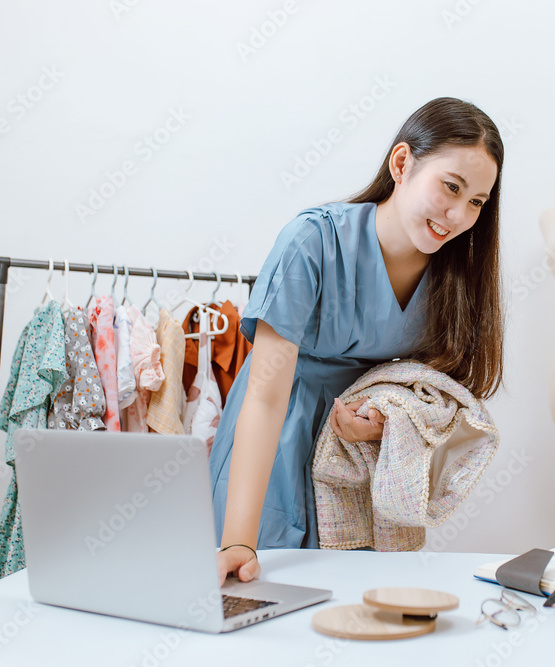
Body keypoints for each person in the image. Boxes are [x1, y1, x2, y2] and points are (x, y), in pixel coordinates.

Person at [210, 97, 505, 583]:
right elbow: (264, 397)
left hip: (362, 466)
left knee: (361, 611)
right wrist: (239, 539)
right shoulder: (312, 242)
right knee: (262, 599)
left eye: (476, 201)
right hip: (276, 443)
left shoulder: (458, 279)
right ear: (402, 163)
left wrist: (388, 425)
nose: (457, 215)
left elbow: (443, 403)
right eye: (451, 187)